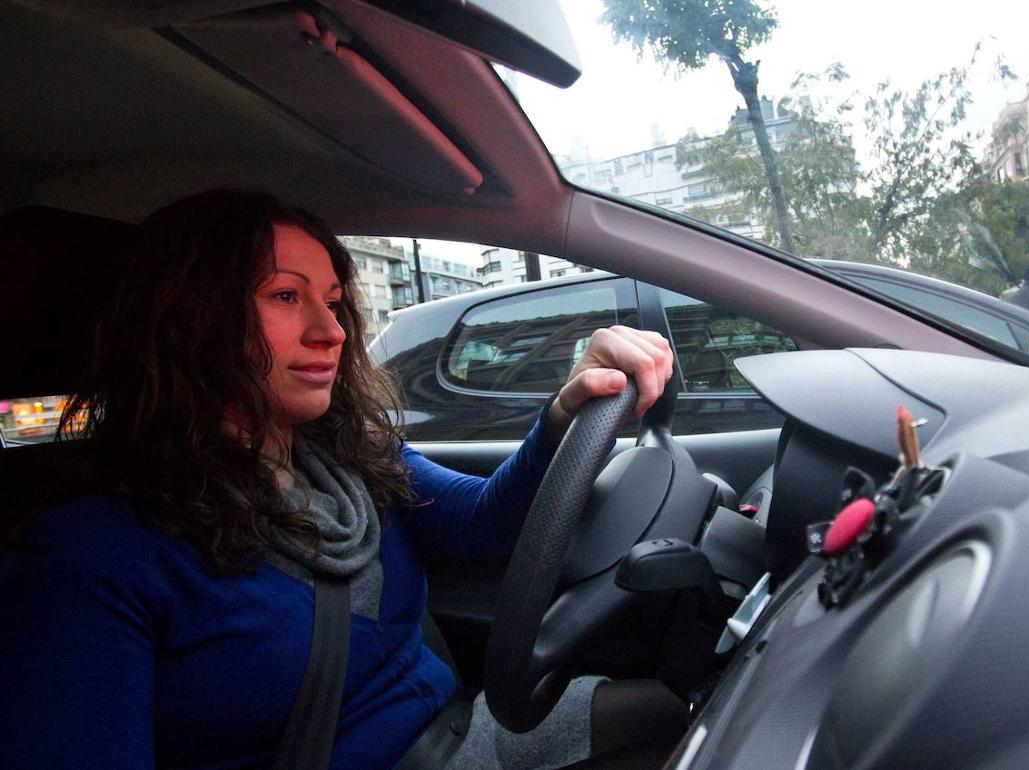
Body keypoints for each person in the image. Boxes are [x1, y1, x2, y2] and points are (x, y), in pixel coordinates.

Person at [0, 189, 681, 769]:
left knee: (682, 714)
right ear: (187, 322)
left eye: (332, 300)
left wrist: (565, 409)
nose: (330, 330)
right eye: (285, 295)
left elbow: (482, 522)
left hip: (460, 735)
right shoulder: (88, 557)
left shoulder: (343, 455)